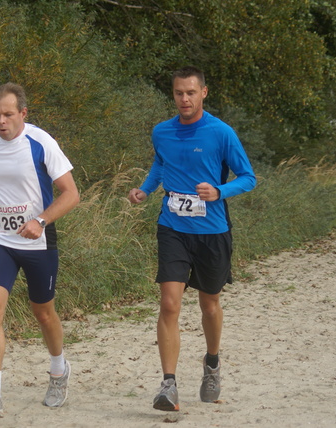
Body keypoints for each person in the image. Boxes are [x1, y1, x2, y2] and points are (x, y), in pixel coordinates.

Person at [128, 66, 256, 412]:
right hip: (172, 228)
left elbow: (248, 178)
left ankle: (212, 362)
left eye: (190, 93)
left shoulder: (221, 133)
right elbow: (160, 164)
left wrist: (219, 190)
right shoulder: (162, 132)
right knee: (169, 303)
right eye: (178, 93)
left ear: (204, 93)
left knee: (209, 304)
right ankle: (168, 385)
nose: (184, 99)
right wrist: (145, 189)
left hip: (212, 232)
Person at [0, 82, 80, 417]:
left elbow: (71, 194)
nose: (2, 121)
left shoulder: (40, 143)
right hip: (0, 239)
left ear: (23, 114)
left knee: (43, 312)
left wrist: (41, 220)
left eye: (8, 114)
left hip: (38, 241)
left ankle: (59, 369)